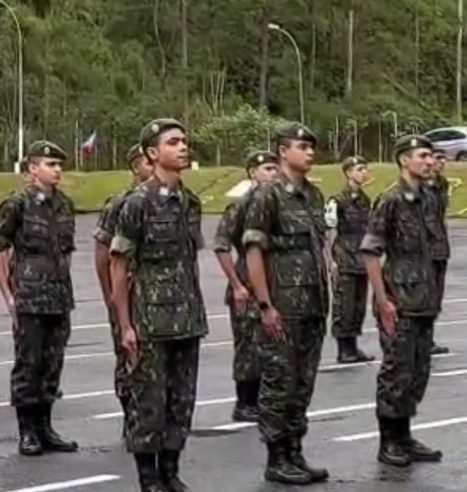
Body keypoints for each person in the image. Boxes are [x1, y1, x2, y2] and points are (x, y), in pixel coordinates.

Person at [110, 119, 208, 492]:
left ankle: (171, 470)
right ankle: (148, 478)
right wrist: (125, 325)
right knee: (148, 403)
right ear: (153, 153)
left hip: (187, 317)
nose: (183, 147)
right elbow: (119, 265)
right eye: (173, 142)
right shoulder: (136, 203)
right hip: (149, 319)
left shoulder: (190, 202)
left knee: (181, 403)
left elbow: (189, 259)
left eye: (184, 140)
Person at [243, 123, 330, 484]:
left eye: (312, 147)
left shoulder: (313, 195)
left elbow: (320, 245)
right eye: (302, 146)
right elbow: (253, 251)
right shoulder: (267, 196)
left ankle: (295, 451)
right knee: (280, 382)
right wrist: (265, 305)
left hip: (312, 304)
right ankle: (276, 457)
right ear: (283, 151)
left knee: (302, 383)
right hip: (281, 305)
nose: (309, 152)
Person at [361, 135, 443, 468]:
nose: (428, 161)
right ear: (403, 161)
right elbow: (370, 251)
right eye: (422, 156)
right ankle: (389, 440)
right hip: (398, 299)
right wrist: (382, 300)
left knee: (417, 371)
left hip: (424, 298)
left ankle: (405, 435)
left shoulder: (429, 199)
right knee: (396, 371)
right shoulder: (390, 200)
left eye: (429, 155)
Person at [0, 141, 78, 457]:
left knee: (52, 364)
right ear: (33, 168)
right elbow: (1, 247)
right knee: (28, 364)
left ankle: (46, 428)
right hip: (29, 297)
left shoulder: (65, 204)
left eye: (59, 164)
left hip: (59, 297)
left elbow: (67, 251)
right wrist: (8, 294)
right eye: (50, 164)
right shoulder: (16, 204)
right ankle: (27, 431)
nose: (57, 170)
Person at [214, 151, 279, 422]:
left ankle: (264, 398)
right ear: (252, 172)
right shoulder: (240, 206)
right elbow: (221, 246)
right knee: (247, 347)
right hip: (247, 286)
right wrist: (236, 284)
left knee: (270, 346)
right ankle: (245, 402)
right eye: (266, 168)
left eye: (275, 168)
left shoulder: (278, 204)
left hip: (272, 284)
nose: (273, 173)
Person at [93, 144, 153, 431]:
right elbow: (103, 252)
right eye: (146, 162)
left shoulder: (174, 201)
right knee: (128, 356)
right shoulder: (120, 203)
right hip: (127, 293)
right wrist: (111, 297)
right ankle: (131, 416)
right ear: (135, 167)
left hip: (161, 297)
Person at [325, 156, 374, 363]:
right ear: (348, 173)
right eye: (359, 169)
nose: (364, 173)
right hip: (344, 256)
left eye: (365, 169)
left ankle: (353, 346)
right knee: (343, 304)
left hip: (361, 257)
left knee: (358, 304)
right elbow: (328, 231)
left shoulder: (365, 200)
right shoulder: (337, 200)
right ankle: (344, 348)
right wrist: (331, 261)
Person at [427, 147, 451, 355]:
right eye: (437, 158)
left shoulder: (442, 184)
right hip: (425, 249)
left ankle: (429, 337)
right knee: (424, 295)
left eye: (443, 158)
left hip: (440, 246)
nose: (441, 162)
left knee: (436, 296)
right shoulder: (422, 186)